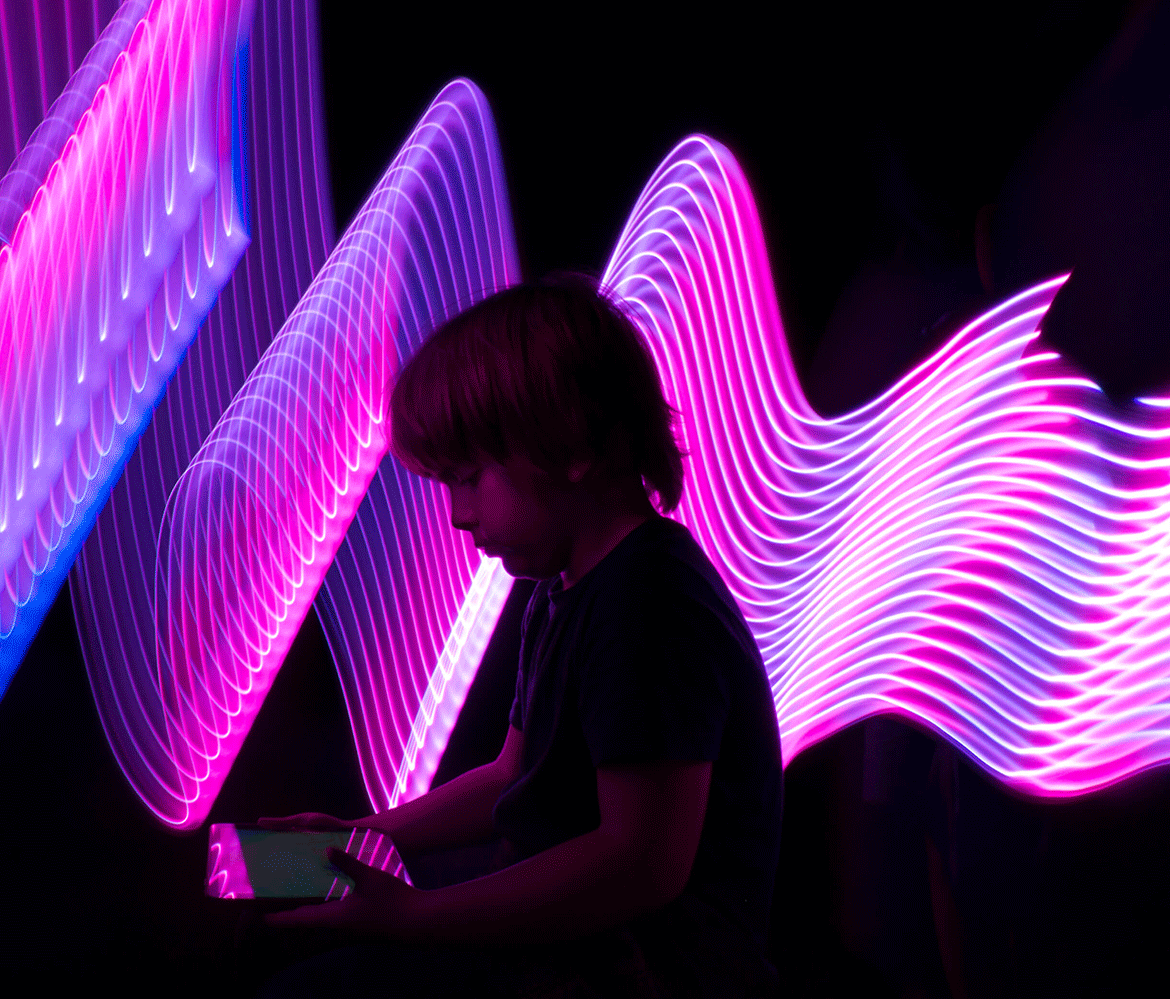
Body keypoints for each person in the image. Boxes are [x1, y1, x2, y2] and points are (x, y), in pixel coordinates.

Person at [257, 275, 784, 998]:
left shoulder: (649, 602)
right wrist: (364, 834)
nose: (457, 515)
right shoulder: (562, 592)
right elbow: (513, 775)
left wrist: (417, 916)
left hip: (646, 972)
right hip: (578, 952)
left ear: (572, 447)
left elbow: (640, 863)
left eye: (469, 478)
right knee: (261, 915)